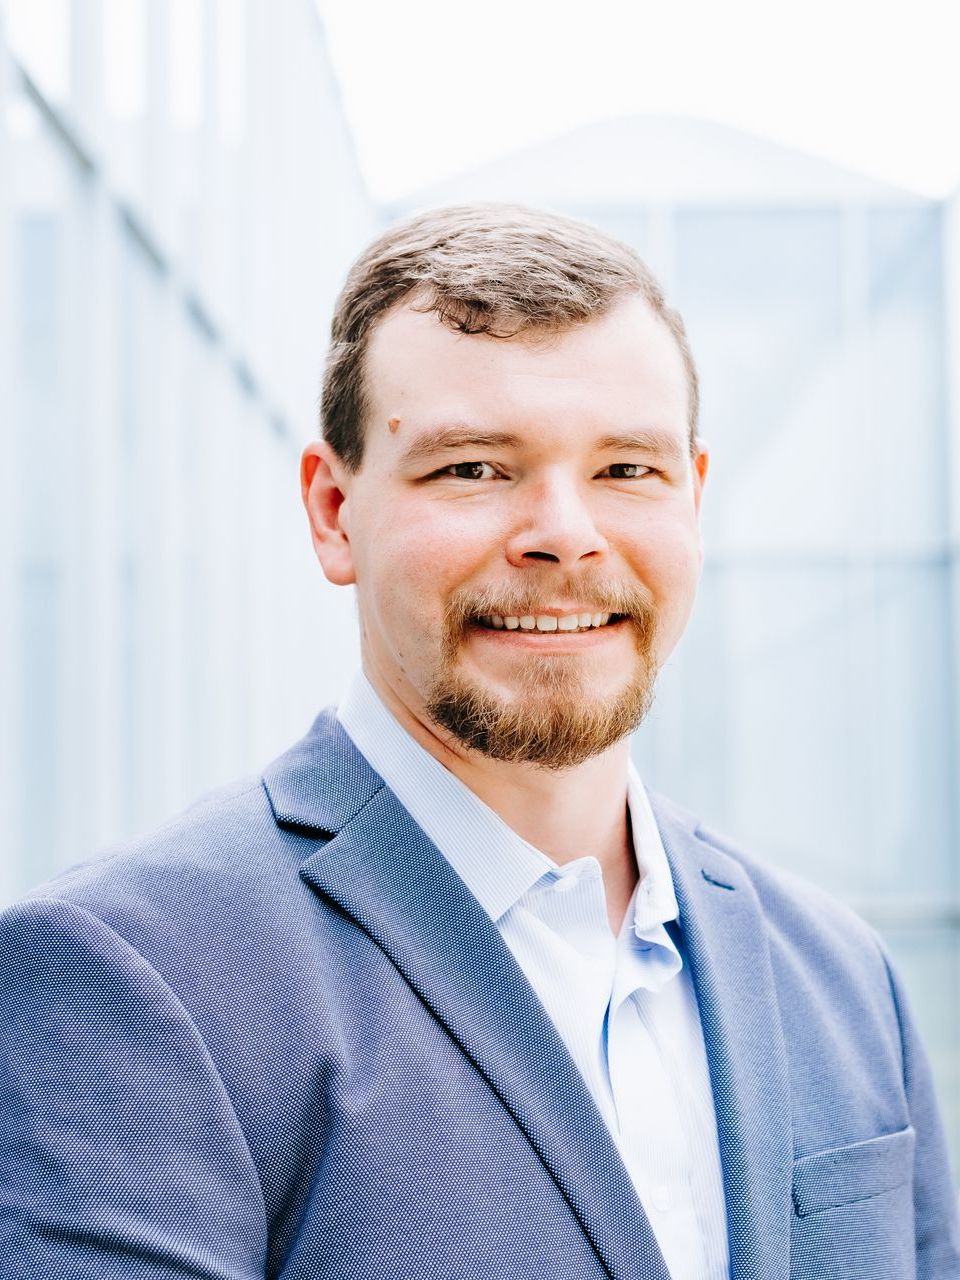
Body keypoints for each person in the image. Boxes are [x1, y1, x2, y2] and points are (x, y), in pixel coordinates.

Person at [1, 205, 957, 1280]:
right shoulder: (131, 981)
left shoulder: (839, 971)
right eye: (473, 468)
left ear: (695, 498)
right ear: (332, 509)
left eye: (626, 470)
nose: (562, 531)